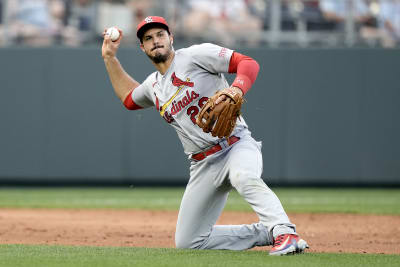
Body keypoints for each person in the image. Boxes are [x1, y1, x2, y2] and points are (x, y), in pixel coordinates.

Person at [101, 16, 309, 255]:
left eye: (160, 35)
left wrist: (236, 88)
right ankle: (265, 232)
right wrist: (109, 58)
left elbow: (248, 64)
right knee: (189, 241)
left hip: (235, 145)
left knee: (243, 176)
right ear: (143, 48)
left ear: (171, 38)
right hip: (202, 164)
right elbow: (129, 99)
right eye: (148, 38)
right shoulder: (154, 86)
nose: (155, 41)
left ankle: (285, 232)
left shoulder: (195, 56)